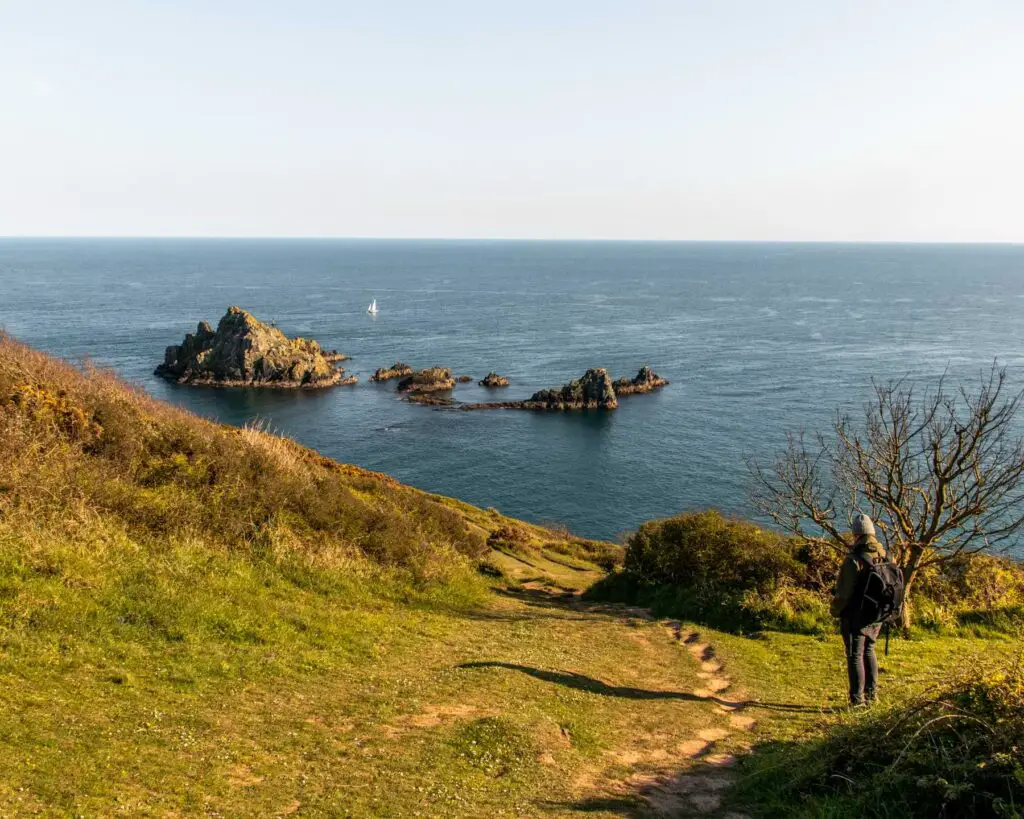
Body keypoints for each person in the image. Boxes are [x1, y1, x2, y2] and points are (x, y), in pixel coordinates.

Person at [830, 513, 886, 706]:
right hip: (877, 614)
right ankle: (872, 696)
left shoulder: (854, 559)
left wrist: (835, 611)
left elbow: (844, 593)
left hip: (856, 615)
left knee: (855, 655)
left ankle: (857, 700)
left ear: (856, 535)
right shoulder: (884, 555)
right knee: (869, 650)